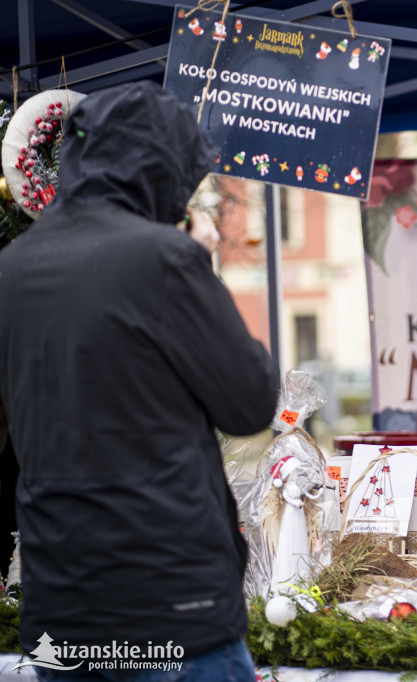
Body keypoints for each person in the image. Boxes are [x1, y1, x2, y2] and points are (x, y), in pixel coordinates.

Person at [0, 81, 279, 680]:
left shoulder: (11, 267)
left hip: (61, 606)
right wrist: (203, 265)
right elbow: (249, 402)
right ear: (160, 169)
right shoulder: (162, 257)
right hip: (168, 604)